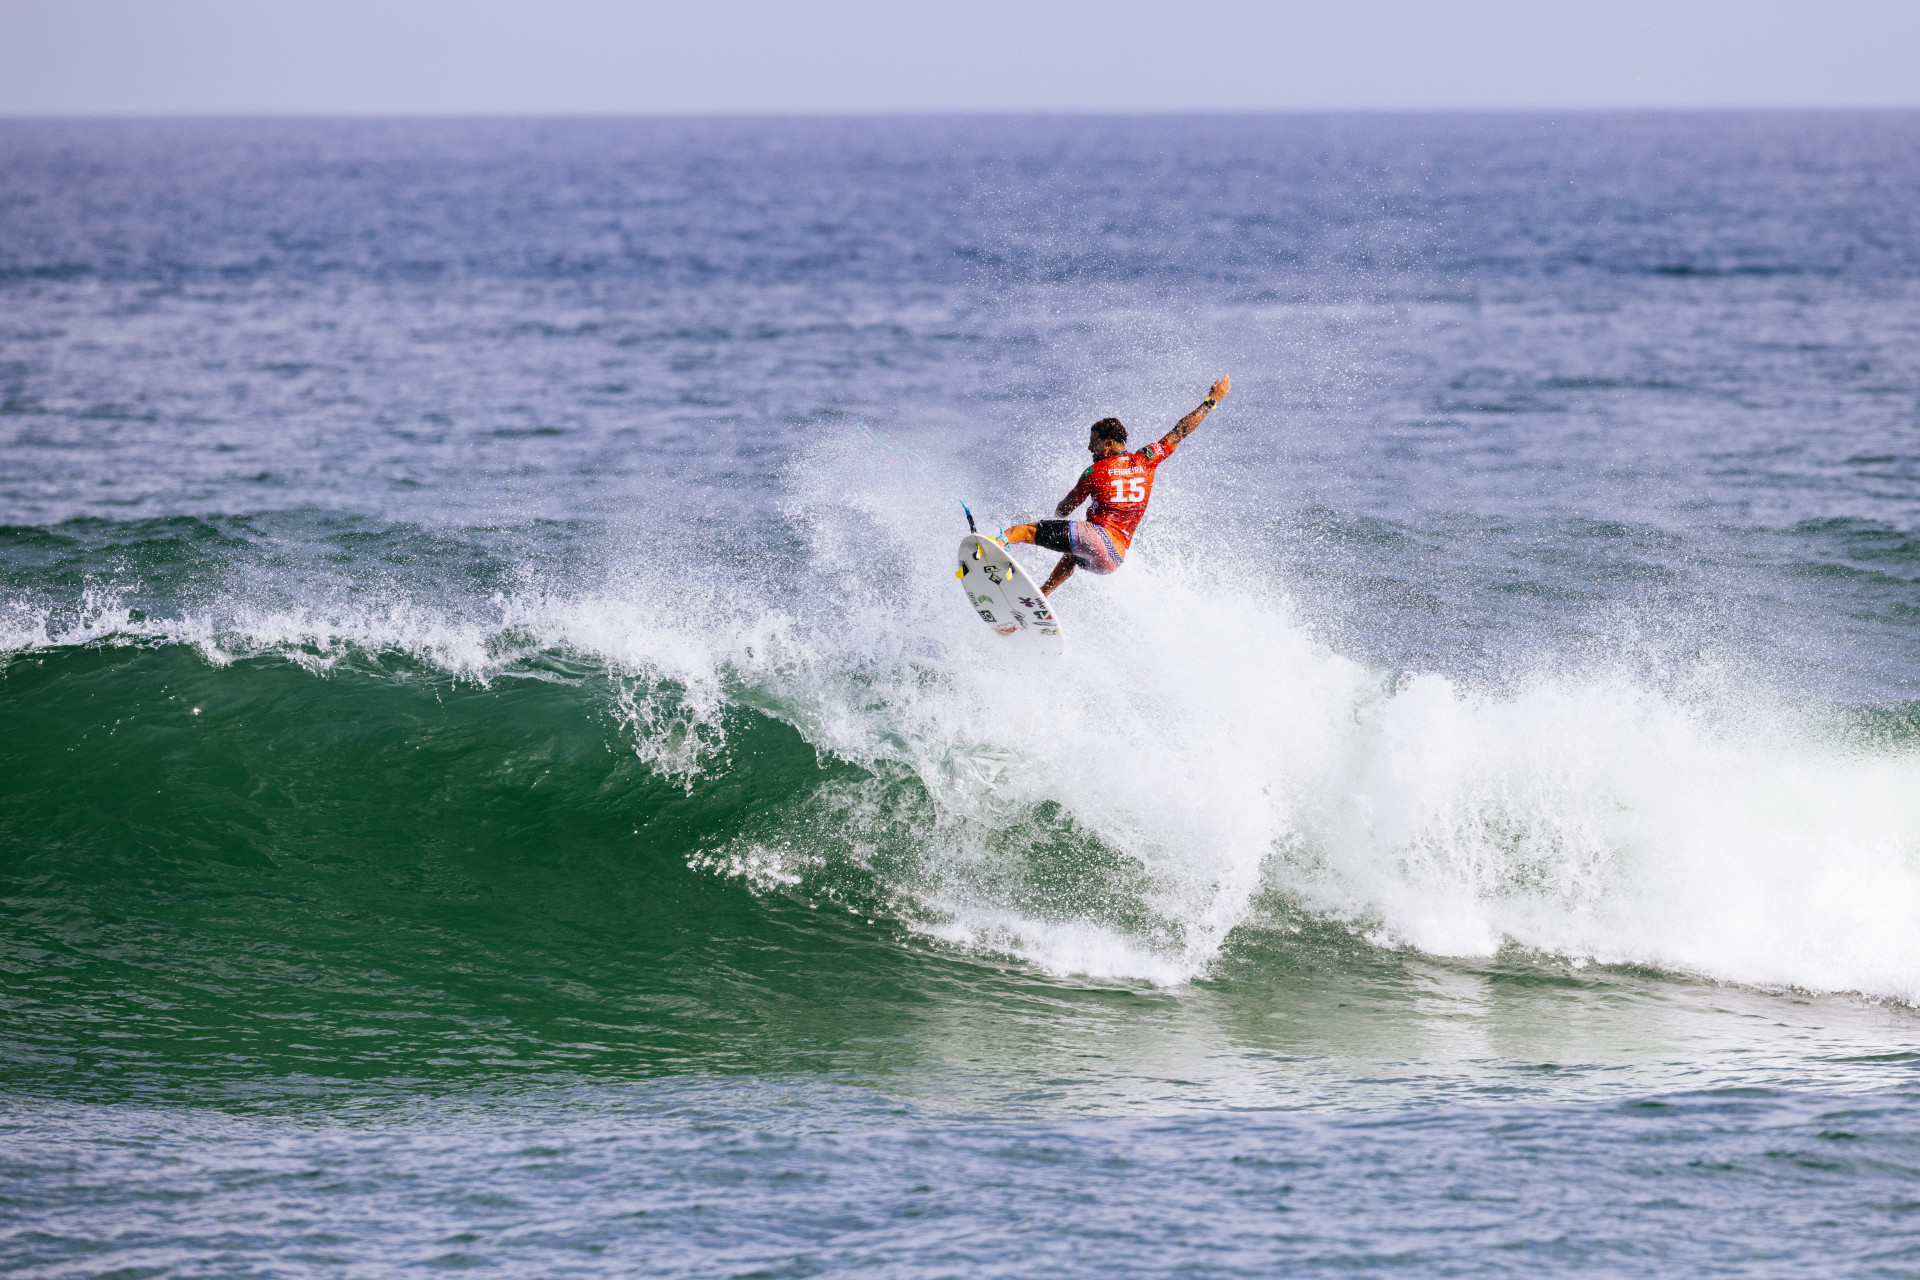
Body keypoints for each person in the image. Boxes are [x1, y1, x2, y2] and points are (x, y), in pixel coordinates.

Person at [1003, 376, 1230, 596]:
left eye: (1094, 443)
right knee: (1071, 555)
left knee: (1026, 530)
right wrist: (1211, 400)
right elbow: (1181, 430)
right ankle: (1042, 595)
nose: (1089, 448)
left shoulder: (1094, 472)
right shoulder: (1147, 459)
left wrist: (1057, 512)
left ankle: (994, 543)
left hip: (1096, 539)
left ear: (1109, 444)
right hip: (1112, 560)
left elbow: (1064, 510)